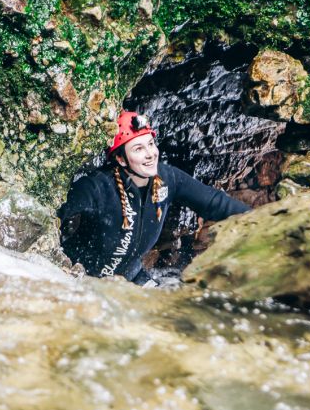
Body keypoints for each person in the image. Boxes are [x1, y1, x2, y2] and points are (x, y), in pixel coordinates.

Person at [57, 111, 250, 287]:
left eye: (151, 144)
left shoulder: (167, 179)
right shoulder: (97, 187)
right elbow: (53, 215)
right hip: (82, 279)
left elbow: (214, 203)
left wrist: (263, 220)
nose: (150, 154)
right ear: (121, 159)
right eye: (138, 149)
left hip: (131, 277)